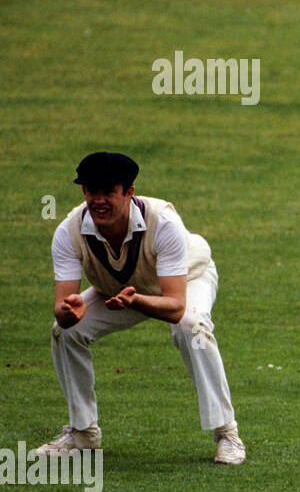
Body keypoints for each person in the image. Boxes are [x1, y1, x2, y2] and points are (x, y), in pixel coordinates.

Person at [37, 152, 245, 465]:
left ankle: (227, 433)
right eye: (93, 191)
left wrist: (137, 301)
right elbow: (62, 307)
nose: (100, 200)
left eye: (109, 192)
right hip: (121, 290)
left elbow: (175, 307)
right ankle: (83, 434)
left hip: (187, 278)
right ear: (83, 192)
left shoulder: (163, 222)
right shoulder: (68, 231)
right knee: (65, 333)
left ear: (129, 192)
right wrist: (69, 311)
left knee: (192, 328)